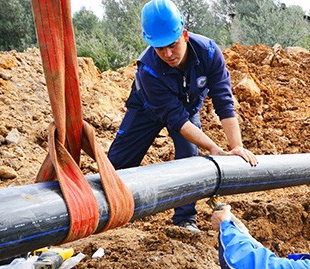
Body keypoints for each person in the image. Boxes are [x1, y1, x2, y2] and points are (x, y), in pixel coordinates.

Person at [108, 0, 258, 233]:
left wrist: (235, 146)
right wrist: (214, 148)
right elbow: (175, 119)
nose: (168, 54)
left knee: (190, 159)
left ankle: (184, 220)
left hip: (187, 108)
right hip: (146, 109)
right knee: (117, 163)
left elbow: (223, 101)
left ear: (185, 35)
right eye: (159, 48)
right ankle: (108, 213)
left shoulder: (208, 53)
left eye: (173, 44)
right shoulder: (147, 69)